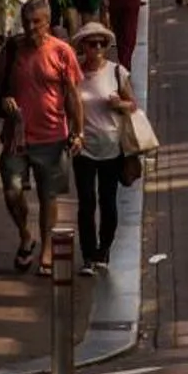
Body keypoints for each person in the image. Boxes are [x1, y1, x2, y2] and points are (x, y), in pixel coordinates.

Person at [0, 1, 83, 275]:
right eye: (27, 22)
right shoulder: (12, 50)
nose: (31, 28)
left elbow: (73, 96)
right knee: (12, 190)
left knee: (48, 196)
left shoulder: (62, 52)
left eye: (37, 22)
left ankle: (46, 250)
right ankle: (24, 235)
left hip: (52, 136)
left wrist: (78, 131)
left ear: (48, 21)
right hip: (16, 138)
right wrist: (5, 100)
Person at [71, 23, 136, 274]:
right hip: (84, 146)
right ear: (83, 46)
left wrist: (120, 103)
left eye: (102, 44)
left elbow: (133, 106)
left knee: (108, 201)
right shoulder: (74, 71)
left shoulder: (117, 72)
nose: (97, 48)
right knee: (86, 202)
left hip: (111, 147)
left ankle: (104, 250)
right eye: (92, 43)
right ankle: (87, 255)